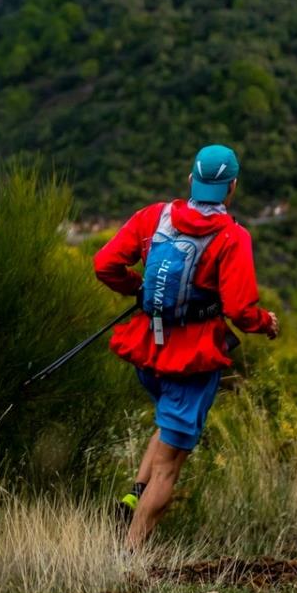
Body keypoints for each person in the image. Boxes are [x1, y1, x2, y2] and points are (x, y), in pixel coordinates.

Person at [92, 143, 278, 551]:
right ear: (232, 188)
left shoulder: (152, 217)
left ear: (191, 179)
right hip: (191, 360)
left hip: (148, 349)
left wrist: (137, 290)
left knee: (167, 421)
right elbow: (241, 309)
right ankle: (128, 556)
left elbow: (104, 264)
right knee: (169, 469)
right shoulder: (232, 237)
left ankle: (131, 498)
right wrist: (267, 324)